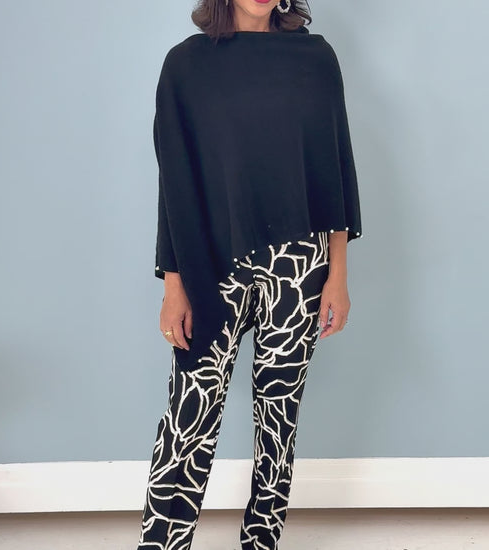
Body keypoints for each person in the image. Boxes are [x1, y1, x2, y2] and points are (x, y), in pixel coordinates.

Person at [137, 0, 363, 548]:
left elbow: (335, 168)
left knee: (278, 418)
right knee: (189, 417)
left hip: (301, 261)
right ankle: (162, 541)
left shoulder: (315, 58)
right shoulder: (186, 66)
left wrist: (337, 275)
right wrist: (173, 284)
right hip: (211, 261)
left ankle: (262, 540)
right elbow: (175, 182)